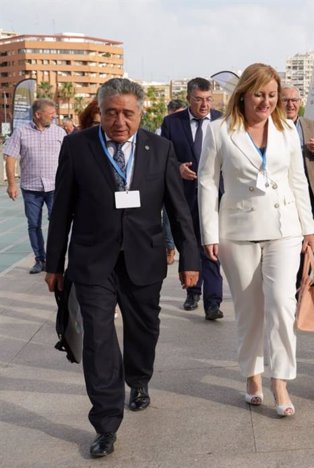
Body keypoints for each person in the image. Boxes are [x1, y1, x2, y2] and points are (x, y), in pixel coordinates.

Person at [44, 78, 200, 458]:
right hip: (92, 261)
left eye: (127, 113)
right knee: (98, 339)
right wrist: (54, 263)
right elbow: (61, 207)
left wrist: (190, 260)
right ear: (100, 111)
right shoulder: (77, 146)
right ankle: (106, 423)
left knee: (144, 329)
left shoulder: (159, 148)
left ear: (140, 113)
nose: (119, 121)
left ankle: (139, 379)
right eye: (111, 112)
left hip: (144, 258)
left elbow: (178, 211)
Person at [197, 63, 314, 417]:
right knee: (249, 310)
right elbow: (206, 182)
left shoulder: (285, 129)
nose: (266, 102)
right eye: (259, 94)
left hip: (285, 228)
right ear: (244, 94)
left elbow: (298, 180)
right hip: (238, 231)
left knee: (281, 302)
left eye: (272, 95)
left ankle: (280, 380)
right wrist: (208, 232)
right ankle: (252, 374)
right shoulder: (220, 131)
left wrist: (308, 228)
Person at [161, 78, 225, 320]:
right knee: (189, 244)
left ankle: (212, 302)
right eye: (198, 100)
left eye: (208, 100)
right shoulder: (171, 123)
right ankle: (192, 291)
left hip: (216, 196)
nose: (204, 105)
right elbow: (164, 157)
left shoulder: (223, 121)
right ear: (189, 98)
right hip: (183, 196)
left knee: (211, 247)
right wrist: (177, 168)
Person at [3, 98, 66, 274]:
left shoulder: (59, 133)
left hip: (55, 188)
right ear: (38, 115)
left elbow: (69, 159)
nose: (54, 117)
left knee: (57, 224)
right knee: (33, 224)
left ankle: (56, 259)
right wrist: (11, 185)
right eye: (50, 114)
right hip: (30, 188)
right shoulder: (21, 133)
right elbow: (10, 157)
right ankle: (40, 260)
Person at [279, 85, 314, 290]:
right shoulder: (273, 127)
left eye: (295, 100)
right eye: (286, 100)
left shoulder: (311, 125)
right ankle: (288, 285)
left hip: (309, 195)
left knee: (310, 243)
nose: (291, 104)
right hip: (283, 196)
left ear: (300, 103)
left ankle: (302, 283)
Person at [158, 98, 187, 265]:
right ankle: (170, 247)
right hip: (168, 179)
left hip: (189, 181)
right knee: (168, 218)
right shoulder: (160, 130)